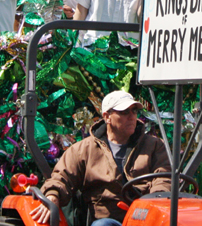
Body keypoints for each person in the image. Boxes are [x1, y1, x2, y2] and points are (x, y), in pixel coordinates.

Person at [31, 90, 171, 226]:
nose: (132, 116)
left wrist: (157, 200)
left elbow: (164, 179)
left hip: (146, 218)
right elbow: (62, 177)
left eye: (134, 111)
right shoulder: (83, 150)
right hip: (106, 219)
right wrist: (52, 196)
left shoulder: (154, 146)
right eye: (124, 112)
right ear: (107, 116)